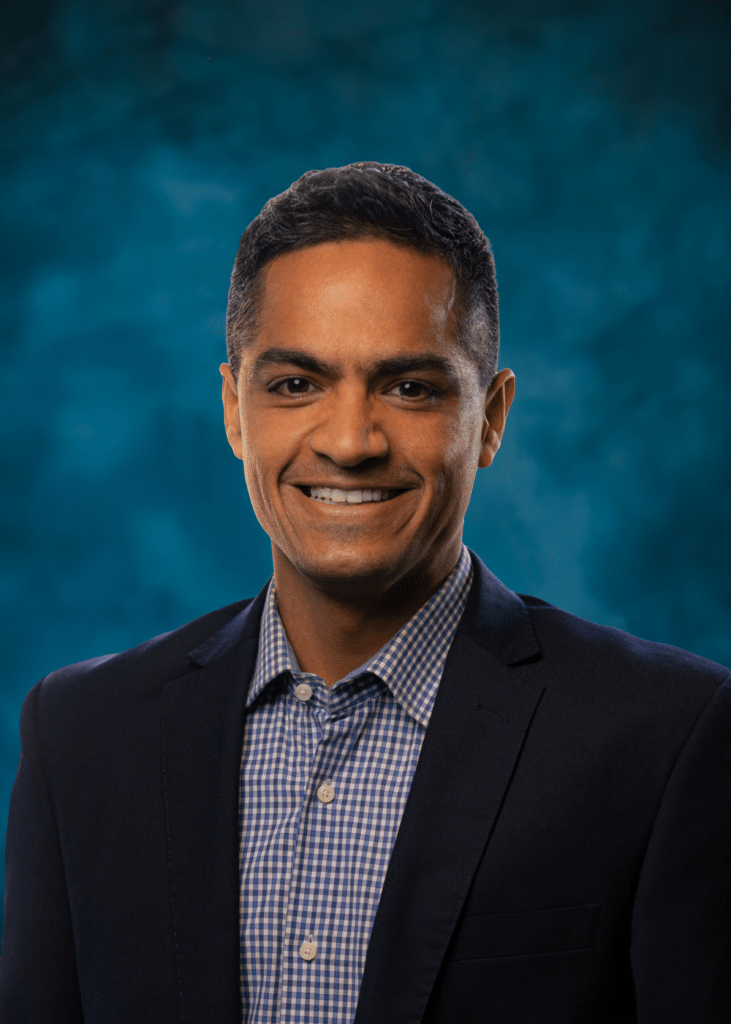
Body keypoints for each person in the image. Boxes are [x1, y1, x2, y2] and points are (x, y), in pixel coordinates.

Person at [1, 162, 729, 1024]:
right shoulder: (82, 734)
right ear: (236, 409)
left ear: (489, 418)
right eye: (295, 385)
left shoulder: (670, 734)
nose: (349, 441)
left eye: (411, 387)